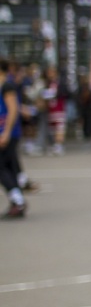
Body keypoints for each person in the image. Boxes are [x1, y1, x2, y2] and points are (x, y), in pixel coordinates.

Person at [0, 59, 27, 219]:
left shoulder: (7, 86)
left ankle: (18, 200)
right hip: (5, 132)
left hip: (7, 133)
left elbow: (13, 109)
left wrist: (7, 132)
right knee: (10, 167)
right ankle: (17, 200)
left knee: (2, 168)